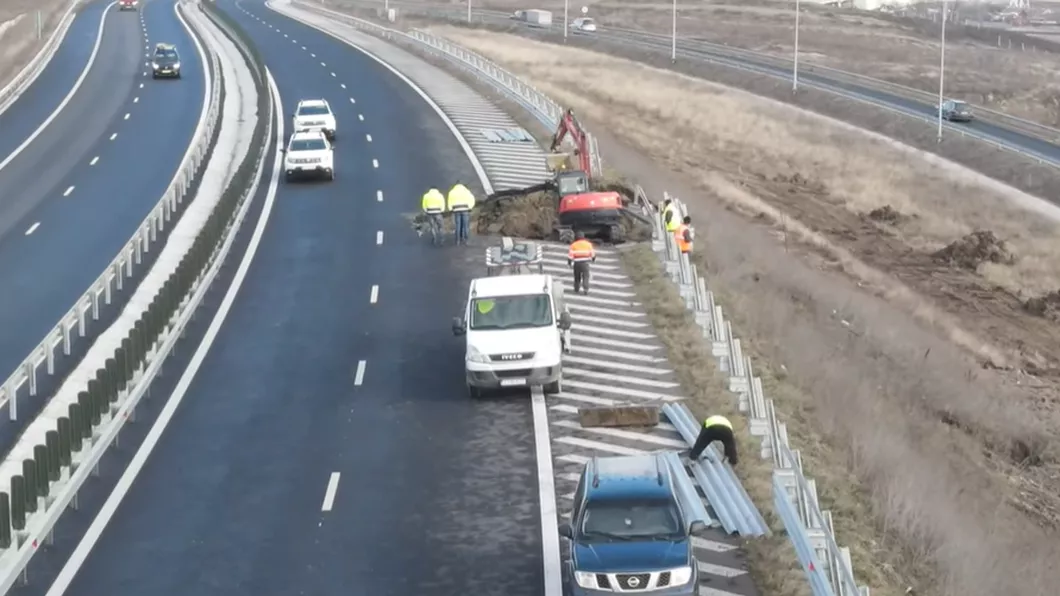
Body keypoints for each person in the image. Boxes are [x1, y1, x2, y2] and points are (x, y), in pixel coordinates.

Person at [447, 181, 476, 245]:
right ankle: (466, 240)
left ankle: (457, 240)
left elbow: (449, 201)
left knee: (458, 225)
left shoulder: (452, 192)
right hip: (465, 209)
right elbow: (471, 199)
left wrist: (451, 209)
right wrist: (470, 207)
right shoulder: (466, 191)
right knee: (466, 225)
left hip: (456, 209)